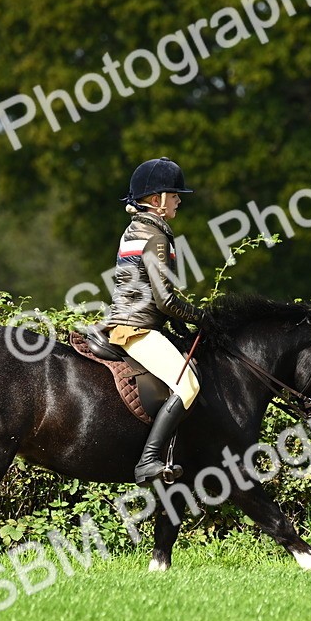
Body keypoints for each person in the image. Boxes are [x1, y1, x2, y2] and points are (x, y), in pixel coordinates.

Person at [104, 156, 204, 485]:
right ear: (156, 200)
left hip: (128, 321)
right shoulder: (156, 236)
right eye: (174, 194)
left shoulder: (136, 229)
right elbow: (166, 299)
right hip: (136, 329)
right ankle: (148, 460)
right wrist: (201, 317)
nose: (179, 200)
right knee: (188, 385)